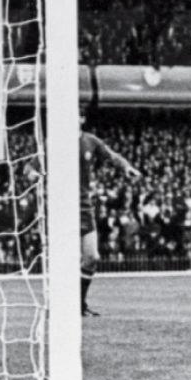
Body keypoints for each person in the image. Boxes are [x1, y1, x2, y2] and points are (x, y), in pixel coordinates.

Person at [79, 127, 141, 316]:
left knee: (92, 257)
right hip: (61, 206)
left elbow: (112, 156)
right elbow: (31, 167)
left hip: (84, 205)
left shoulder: (90, 140)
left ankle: (79, 304)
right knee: (63, 258)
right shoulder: (56, 142)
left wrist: (126, 167)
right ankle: (60, 303)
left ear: (82, 119)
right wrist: (33, 174)